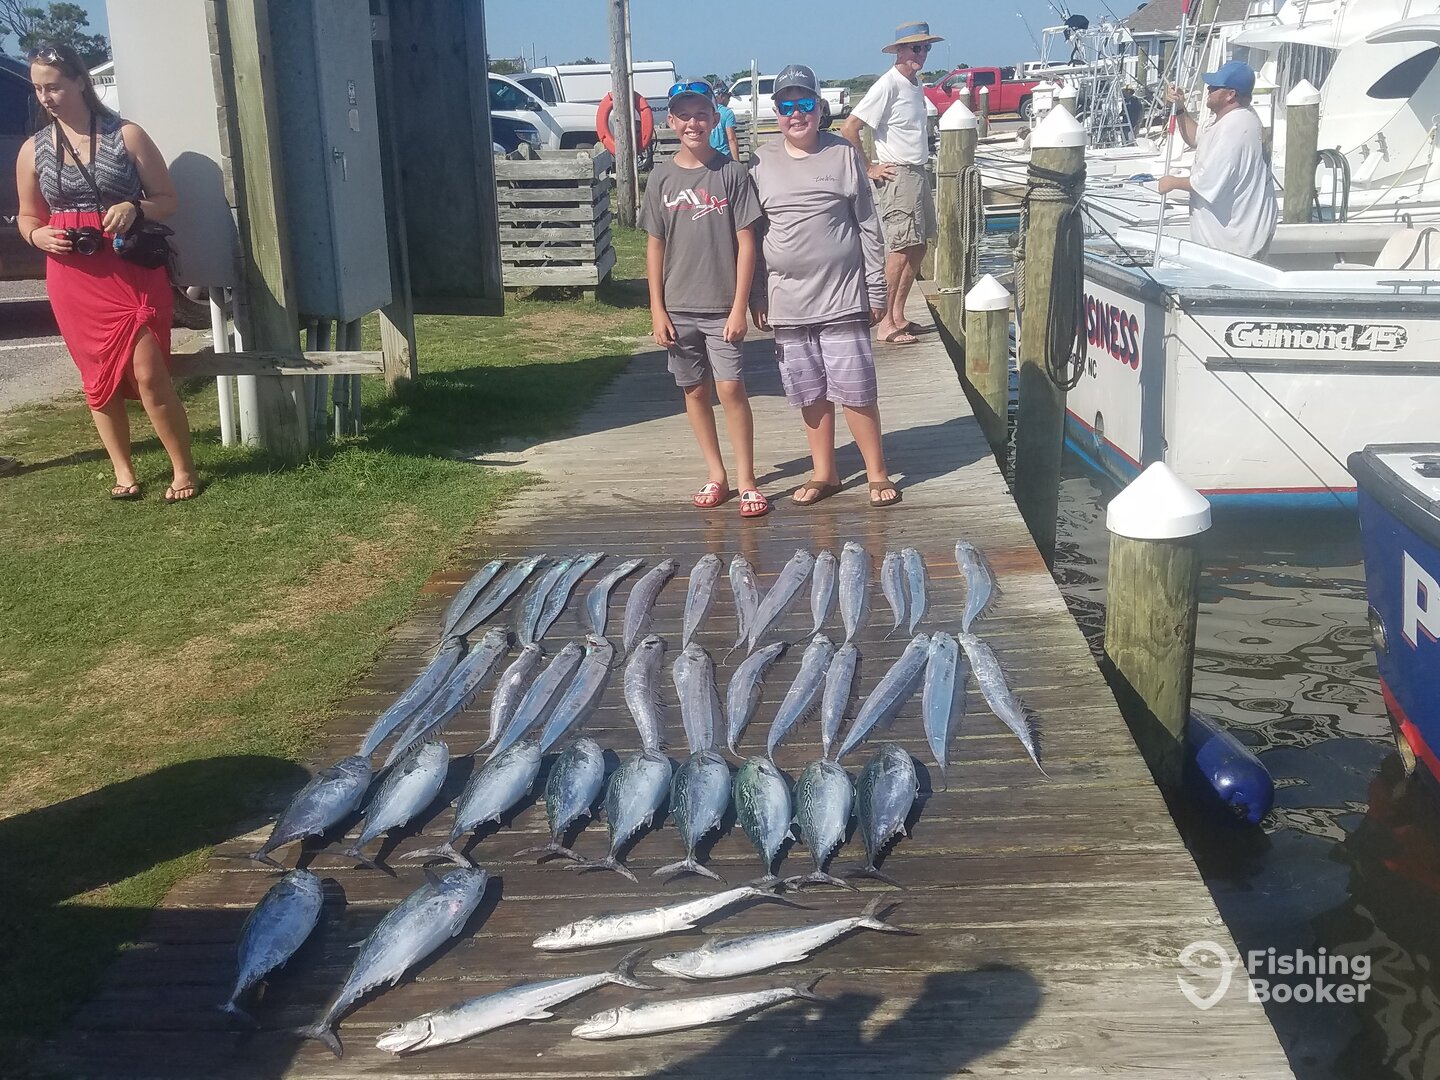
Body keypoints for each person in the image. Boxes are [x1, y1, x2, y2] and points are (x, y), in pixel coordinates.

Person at [16, 42, 200, 502]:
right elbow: (27, 216)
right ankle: (123, 471)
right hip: (71, 274)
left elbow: (168, 200)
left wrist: (134, 206)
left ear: (80, 81)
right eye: (38, 89)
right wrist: (37, 236)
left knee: (149, 374)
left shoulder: (127, 135)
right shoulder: (33, 149)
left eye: (54, 86)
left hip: (129, 265)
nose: (45, 97)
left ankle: (183, 469)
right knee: (97, 378)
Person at [750, 65, 900, 508]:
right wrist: (757, 294)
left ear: (820, 108)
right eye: (786, 106)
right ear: (776, 111)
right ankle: (825, 473)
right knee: (809, 391)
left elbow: (868, 225)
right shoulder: (759, 161)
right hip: (786, 302)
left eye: (805, 104)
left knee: (856, 389)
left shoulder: (843, 153)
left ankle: (877, 473)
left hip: (842, 295)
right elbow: (753, 235)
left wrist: (876, 288)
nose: (796, 114)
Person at [641, 78, 769, 518]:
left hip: (722, 307)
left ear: (715, 119)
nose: (693, 123)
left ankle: (747, 479)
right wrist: (657, 309)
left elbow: (748, 243)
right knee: (694, 390)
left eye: (701, 115)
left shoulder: (732, 173)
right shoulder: (661, 178)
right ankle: (717, 474)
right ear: (671, 122)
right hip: (677, 307)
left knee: (731, 388)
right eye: (684, 115)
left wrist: (740, 307)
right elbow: (654, 246)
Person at [840, 19, 942, 346]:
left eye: (926, 47)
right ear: (900, 50)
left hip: (918, 171)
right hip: (898, 175)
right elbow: (850, 127)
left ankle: (898, 315)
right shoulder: (888, 84)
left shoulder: (915, 83)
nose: (922, 53)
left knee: (919, 245)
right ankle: (885, 322)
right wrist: (869, 167)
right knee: (899, 249)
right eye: (916, 47)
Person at [1157, 60, 1277, 259]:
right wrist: (1179, 107)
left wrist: (1171, 182)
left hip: (1238, 245)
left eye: (1214, 87)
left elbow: (1207, 182)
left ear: (1230, 94)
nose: (1208, 89)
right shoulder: (1230, 117)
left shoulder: (1234, 129)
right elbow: (1195, 137)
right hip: (1234, 240)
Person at [710, 80, 741, 160]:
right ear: (722, 96)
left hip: (708, 157)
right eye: (728, 96)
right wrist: (737, 163)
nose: (729, 100)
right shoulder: (727, 113)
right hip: (724, 156)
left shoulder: (707, 111)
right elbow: (731, 139)